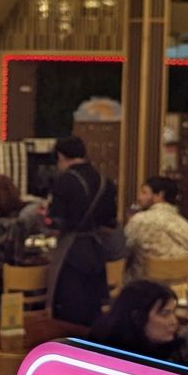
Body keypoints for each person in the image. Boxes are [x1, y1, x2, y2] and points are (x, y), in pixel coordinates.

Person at [43, 134, 125, 326]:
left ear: (61, 156)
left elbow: (56, 222)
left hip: (71, 252)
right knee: (92, 309)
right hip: (96, 250)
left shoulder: (65, 181)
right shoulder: (105, 180)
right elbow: (109, 220)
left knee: (68, 311)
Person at [125, 176, 188, 281]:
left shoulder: (138, 221)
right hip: (178, 293)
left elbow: (123, 253)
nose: (139, 197)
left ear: (159, 195)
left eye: (144, 192)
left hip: (142, 290)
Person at [89, 280, 182, 364]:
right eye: (164, 314)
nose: (174, 322)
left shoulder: (174, 352)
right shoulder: (106, 353)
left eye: (173, 313)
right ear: (137, 317)